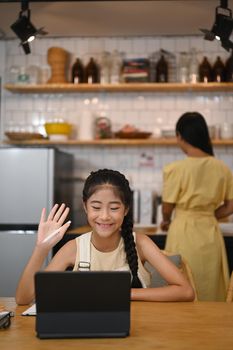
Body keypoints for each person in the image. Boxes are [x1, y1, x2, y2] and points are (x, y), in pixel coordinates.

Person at [16, 169, 194, 305]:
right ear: (85, 207)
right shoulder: (74, 248)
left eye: (114, 208)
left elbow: (185, 291)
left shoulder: (141, 243)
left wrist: (121, 293)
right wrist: (41, 248)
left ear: (126, 209)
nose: (105, 216)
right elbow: (24, 299)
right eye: (96, 207)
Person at [161, 112, 233, 301]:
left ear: (180, 136)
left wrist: (166, 221)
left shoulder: (176, 169)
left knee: (181, 278)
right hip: (210, 231)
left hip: (182, 229)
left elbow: (167, 206)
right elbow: (230, 206)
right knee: (210, 281)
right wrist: (208, 215)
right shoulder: (223, 169)